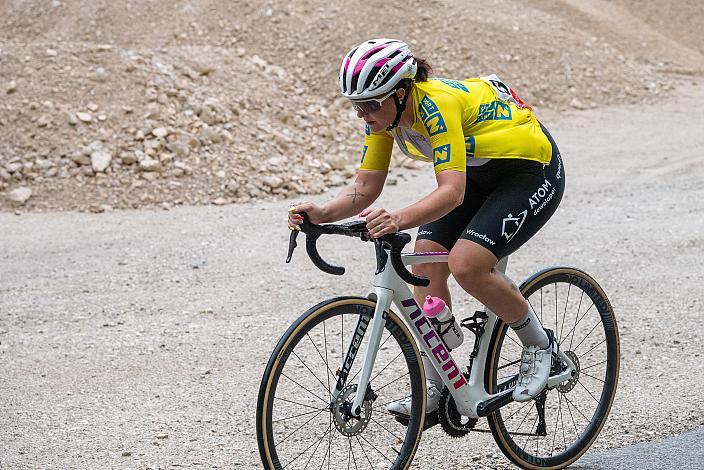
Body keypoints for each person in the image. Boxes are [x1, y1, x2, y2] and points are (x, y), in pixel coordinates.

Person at [287, 38, 565, 418]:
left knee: (467, 264)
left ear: (401, 93)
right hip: (478, 174)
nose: (361, 114)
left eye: (368, 105)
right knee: (424, 264)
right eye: (355, 105)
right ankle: (440, 384)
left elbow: (451, 193)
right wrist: (320, 213)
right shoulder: (383, 118)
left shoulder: (436, 105)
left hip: (529, 169)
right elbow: (365, 187)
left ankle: (539, 345)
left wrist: (398, 219)